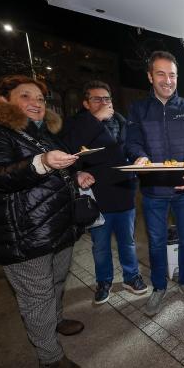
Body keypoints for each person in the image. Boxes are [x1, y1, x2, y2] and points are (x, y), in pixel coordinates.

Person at [0, 75, 93, 368]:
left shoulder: (38, 131)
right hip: (22, 232)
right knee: (37, 296)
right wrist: (43, 162)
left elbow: (56, 167)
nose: (36, 103)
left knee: (57, 281)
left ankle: (56, 320)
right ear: (3, 101)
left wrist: (75, 177)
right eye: (26, 96)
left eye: (40, 99)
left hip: (55, 226)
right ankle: (49, 359)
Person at [126, 51, 184, 316]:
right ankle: (159, 287)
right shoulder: (138, 109)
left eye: (172, 74)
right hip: (153, 190)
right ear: (150, 76)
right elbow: (133, 141)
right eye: (161, 74)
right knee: (156, 241)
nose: (167, 80)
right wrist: (139, 156)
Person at [61, 80, 147, 305]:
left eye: (107, 99)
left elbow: (129, 146)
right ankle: (104, 281)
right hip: (97, 194)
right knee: (100, 244)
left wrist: (138, 157)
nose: (103, 103)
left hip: (124, 189)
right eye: (97, 99)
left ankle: (131, 277)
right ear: (85, 103)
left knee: (127, 240)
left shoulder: (120, 120)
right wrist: (96, 119)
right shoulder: (76, 124)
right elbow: (69, 149)